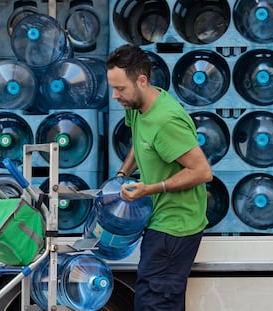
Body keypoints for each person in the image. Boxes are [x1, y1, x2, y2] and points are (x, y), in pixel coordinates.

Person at [106, 44, 213, 311]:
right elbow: (139, 140)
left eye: (120, 88)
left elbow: (202, 172)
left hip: (174, 229)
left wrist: (150, 188)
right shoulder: (137, 105)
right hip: (159, 220)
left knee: (155, 304)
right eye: (113, 87)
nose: (115, 95)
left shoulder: (166, 121)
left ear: (141, 80)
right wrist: (122, 174)